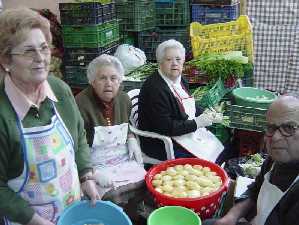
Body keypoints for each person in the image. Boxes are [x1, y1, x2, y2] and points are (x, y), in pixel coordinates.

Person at [0, 8, 99, 225]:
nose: (41, 59)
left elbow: (79, 136)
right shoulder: (3, 114)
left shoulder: (60, 90)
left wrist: (86, 175)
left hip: (71, 209)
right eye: (28, 51)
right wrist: (33, 220)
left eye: (44, 48)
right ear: (6, 60)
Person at [203, 95, 299, 225]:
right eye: (271, 128)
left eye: (288, 128)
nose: (276, 137)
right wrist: (231, 217)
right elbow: (255, 191)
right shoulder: (273, 161)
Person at [75, 54, 146, 214]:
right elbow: (77, 145)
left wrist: (131, 138)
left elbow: (126, 125)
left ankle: (134, 215)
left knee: (146, 182)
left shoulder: (124, 99)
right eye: (102, 78)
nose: (109, 83)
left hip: (121, 157)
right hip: (94, 162)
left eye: (114, 78)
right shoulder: (80, 103)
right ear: (92, 81)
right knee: (112, 194)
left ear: (120, 81)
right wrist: (92, 172)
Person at [138, 39, 224, 162]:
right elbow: (165, 127)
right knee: (204, 160)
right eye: (169, 60)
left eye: (178, 59)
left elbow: (189, 105)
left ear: (183, 61)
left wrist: (207, 113)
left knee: (217, 148)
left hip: (181, 133)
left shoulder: (180, 79)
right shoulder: (155, 89)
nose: (174, 64)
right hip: (161, 143)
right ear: (160, 63)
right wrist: (197, 123)